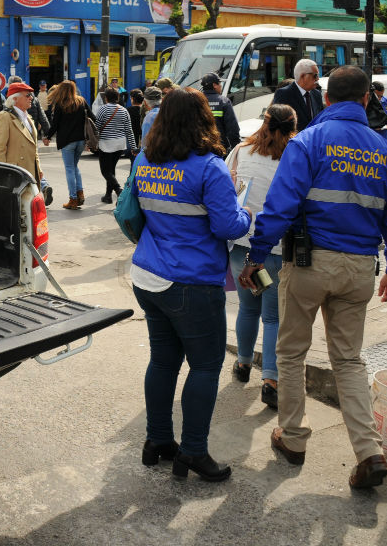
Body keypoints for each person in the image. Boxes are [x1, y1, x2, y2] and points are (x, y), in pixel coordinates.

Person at [237, 65, 387, 489]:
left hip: (309, 265)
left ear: (326, 98)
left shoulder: (308, 142)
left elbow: (279, 207)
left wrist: (257, 256)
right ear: (367, 100)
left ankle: (293, 437)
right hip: (359, 271)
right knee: (349, 361)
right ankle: (369, 450)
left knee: (293, 352)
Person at [131, 86, 252, 483]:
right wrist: (246, 212)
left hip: (147, 276)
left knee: (163, 361)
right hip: (191, 283)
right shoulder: (209, 167)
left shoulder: (145, 159)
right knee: (204, 366)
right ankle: (194, 452)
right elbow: (227, 226)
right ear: (205, 119)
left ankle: (158, 442)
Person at [226, 104, 298, 410]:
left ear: (263, 123)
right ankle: (270, 380)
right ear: (293, 126)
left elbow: (227, 189)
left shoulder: (241, 152)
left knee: (247, 308)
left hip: (241, 246)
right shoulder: (295, 156)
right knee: (273, 317)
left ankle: (242, 365)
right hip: (276, 250)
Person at [45, 80, 95, 210]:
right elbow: (93, 117)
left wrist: (48, 137)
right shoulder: (81, 101)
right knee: (74, 167)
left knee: (69, 169)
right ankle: (80, 194)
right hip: (81, 140)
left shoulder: (60, 104)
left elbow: (55, 125)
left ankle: (73, 199)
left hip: (67, 141)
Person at [0, 83, 43, 185]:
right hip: (16, 176)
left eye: (31, 95)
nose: (31, 98)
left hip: (31, 173)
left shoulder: (28, 118)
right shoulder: (5, 117)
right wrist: (1, 176)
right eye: (27, 95)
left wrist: (38, 168)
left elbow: (33, 147)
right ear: (15, 99)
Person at [95, 87, 138, 204]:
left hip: (106, 144)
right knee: (111, 169)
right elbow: (129, 131)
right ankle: (108, 196)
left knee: (105, 171)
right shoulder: (124, 110)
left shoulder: (102, 109)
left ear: (106, 98)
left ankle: (118, 190)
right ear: (118, 98)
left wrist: (91, 142)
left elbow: (96, 127)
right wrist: (134, 147)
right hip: (120, 145)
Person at [272, 59, 323, 131]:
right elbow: (278, 124)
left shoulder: (316, 94)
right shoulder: (284, 94)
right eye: (315, 76)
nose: (317, 79)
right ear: (302, 76)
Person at [201, 73, 241, 151]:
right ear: (214, 85)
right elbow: (232, 128)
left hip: (199, 148)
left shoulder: (195, 100)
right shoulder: (223, 101)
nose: (221, 86)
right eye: (219, 83)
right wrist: (235, 147)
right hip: (219, 148)